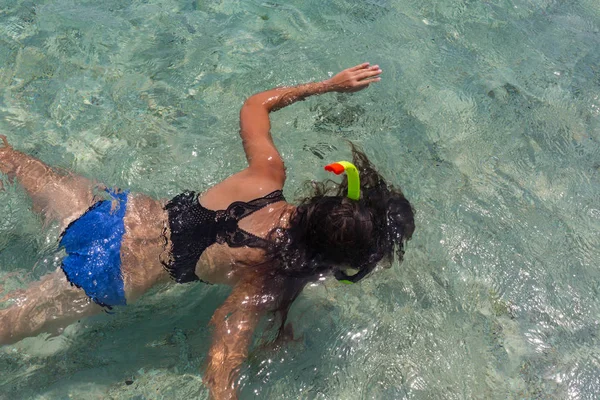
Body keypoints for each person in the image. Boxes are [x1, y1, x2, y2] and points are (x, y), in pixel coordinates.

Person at [0, 63, 414, 399]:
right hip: (108, 275)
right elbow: (224, 343)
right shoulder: (268, 273)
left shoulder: (265, 177)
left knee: (11, 160)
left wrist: (328, 85)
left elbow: (255, 106)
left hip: (113, 213)